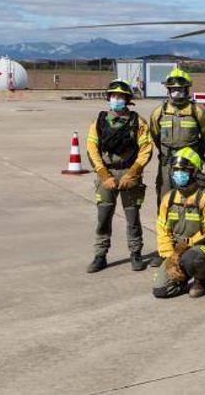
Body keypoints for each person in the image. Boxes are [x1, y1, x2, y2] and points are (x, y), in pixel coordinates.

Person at [86, 79, 153, 273]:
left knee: (132, 217)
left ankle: (135, 253)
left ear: (128, 100)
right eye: (114, 96)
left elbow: (146, 148)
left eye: (121, 97)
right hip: (107, 173)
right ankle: (100, 254)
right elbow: (92, 147)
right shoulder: (99, 121)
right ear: (109, 98)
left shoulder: (137, 122)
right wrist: (103, 174)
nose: (117, 100)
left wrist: (133, 173)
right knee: (104, 216)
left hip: (129, 173)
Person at [148, 68, 205, 266]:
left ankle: (196, 245)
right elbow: (155, 136)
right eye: (173, 90)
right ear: (167, 91)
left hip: (191, 166)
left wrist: (194, 157)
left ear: (187, 90)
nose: (177, 94)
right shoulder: (159, 112)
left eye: (181, 90)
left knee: (196, 204)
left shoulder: (197, 112)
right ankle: (165, 249)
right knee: (165, 205)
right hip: (168, 165)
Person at [152, 148, 205, 298]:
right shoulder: (169, 198)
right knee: (161, 290)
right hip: (176, 250)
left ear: (195, 172)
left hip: (202, 246)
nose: (178, 174)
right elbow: (162, 228)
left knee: (192, 259)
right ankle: (182, 278)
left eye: (183, 170)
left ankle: (202, 279)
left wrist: (185, 245)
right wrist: (169, 256)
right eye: (175, 170)